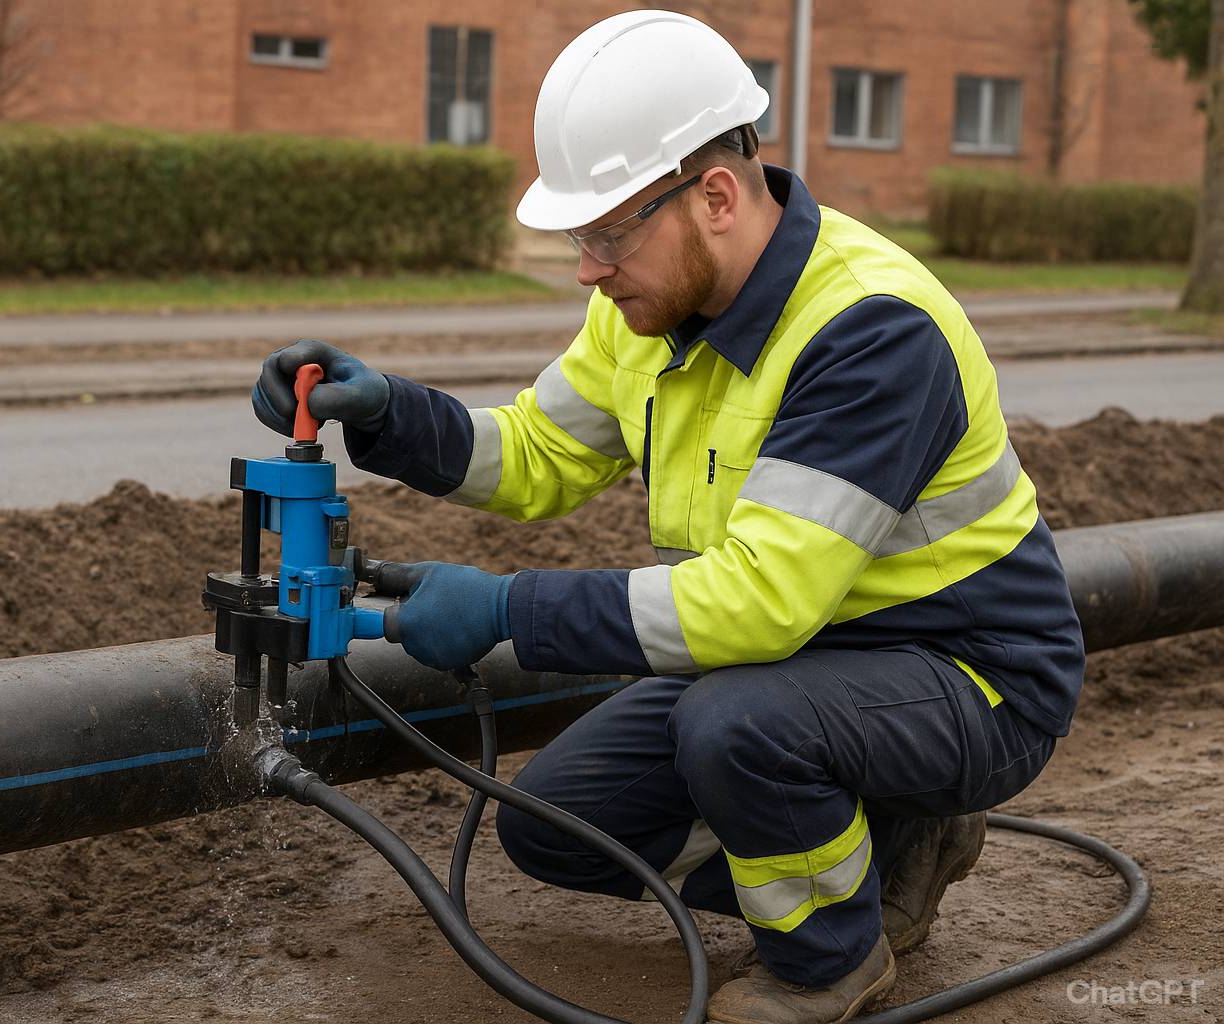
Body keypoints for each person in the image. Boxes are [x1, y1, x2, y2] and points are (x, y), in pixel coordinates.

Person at [251, 10, 1084, 1024]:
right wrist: (385, 414)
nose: (587, 268)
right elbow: (536, 453)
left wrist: (509, 610)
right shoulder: (649, 308)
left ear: (716, 197)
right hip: (801, 664)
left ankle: (832, 959)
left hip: (969, 676)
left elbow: (758, 604)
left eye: (606, 233)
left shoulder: (870, 332)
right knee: (554, 825)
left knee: (733, 724)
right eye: (578, 236)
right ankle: (885, 847)